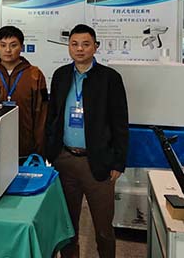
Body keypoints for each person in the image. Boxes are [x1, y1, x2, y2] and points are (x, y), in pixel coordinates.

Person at [45, 24, 129, 258]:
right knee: (67, 226)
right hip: (64, 161)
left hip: (98, 162)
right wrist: (50, 153)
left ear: (95, 47)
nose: (79, 49)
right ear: (69, 46)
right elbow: (52, 116)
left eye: (85, 44)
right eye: (74, 44)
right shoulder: (61, 75)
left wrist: (118, 162)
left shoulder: (110, 78)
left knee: (103, 229)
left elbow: (120, 122)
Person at [0, 25, 48, 158]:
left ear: (21, 47)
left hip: (25, 149)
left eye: (13, 45)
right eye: (3, 45)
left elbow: (41, 115)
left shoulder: (35, 75)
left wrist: (39, 152)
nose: (8, 50)